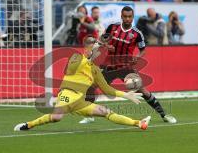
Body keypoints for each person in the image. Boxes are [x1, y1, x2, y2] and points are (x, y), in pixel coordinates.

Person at [14, 36, 151, 131]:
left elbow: (107, 89)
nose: (98, 52)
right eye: (94, 49)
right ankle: (28, 125)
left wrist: (126, 95)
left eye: (98, 50)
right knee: (56, 117)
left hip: (80, 101)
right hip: (67, 93)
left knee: (105, 111)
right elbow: (70, 69)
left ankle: (139, 123)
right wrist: (88, 57)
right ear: (86, 49)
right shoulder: (76, 57)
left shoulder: (96, 70)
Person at [79, 6, 177, 124]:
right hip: (109, 65)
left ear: (132, 17)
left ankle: (164, 115)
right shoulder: (112, 27)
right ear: (121, 16)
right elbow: (101, 40)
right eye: (125, 16)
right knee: (91, 87)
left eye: (129, 17)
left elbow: (142, 50)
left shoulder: (137, 34)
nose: (127, 19)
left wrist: (138, 58)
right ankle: (89, 115)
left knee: (143, 91)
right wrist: (105, 46)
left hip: (126, 67)